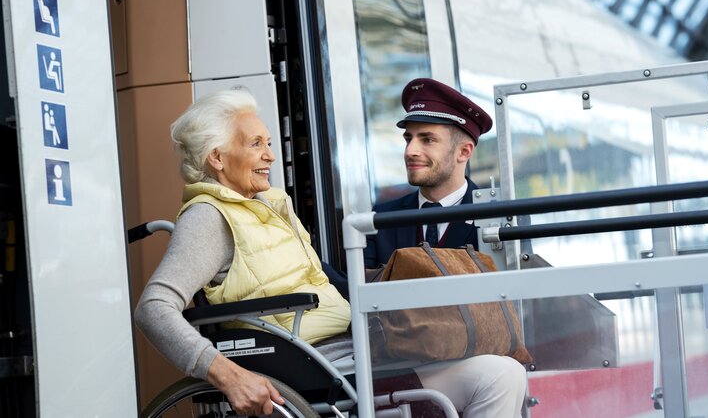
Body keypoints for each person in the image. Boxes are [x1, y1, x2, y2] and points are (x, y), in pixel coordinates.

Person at [135, 88, 527, 417]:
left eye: (269, 143)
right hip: (321, 366)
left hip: (355, 349)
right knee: (497, 377)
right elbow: (153, 308)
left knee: (504, 372)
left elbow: (334, 284)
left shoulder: (272, 206)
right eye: (256, 144)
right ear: (217, 158)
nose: (270, 155)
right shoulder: (209, 217)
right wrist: (225, 373)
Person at [364, 78, 492, 268]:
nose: (410, 151)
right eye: (409, 139)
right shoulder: (381, 218)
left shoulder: (496, 216)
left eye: (427, 140)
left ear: (464, 152)